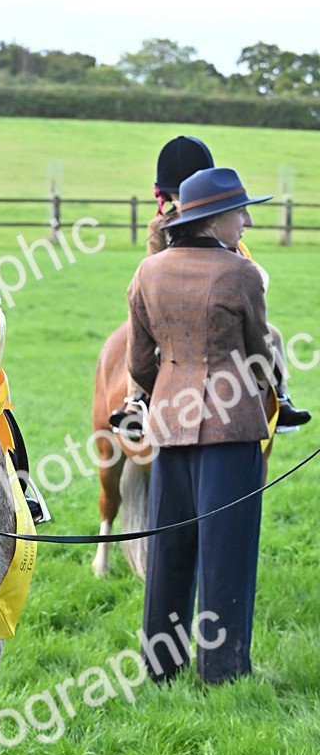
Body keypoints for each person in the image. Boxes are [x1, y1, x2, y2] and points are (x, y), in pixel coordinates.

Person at [126, 166, 277, 684]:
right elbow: (259, 354)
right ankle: (224, 670)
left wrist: (168, 391)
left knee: (169, 550)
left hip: (169, 426)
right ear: (214, 219)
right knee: (227, 553)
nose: (247, 221)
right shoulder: (241, 274)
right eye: (241, 212)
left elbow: (139, 363)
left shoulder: (148, 272)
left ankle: (161, 666)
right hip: (231, 433)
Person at [110, 135, 310, 439]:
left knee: (275, 335)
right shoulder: (160, 228)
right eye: (177, 194)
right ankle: (135, 403)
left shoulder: (219, 220)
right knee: (136, 342)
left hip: (216, 307)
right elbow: (151, 271)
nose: (182, 200)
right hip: (172, 309)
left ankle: (281, 398)